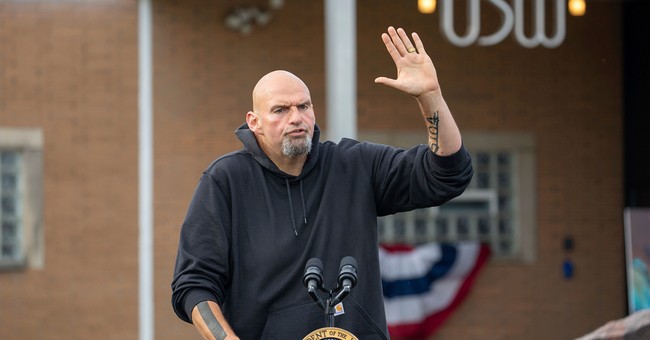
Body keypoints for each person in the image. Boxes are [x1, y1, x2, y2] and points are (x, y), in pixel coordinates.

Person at [171, 26, 473, 340]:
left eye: (304, 106)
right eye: (280, 110)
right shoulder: (225, 181)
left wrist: (430, 96)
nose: (296, 117)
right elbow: (194, 285)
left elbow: (448, 174)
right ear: (254, 122)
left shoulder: (354, 164)